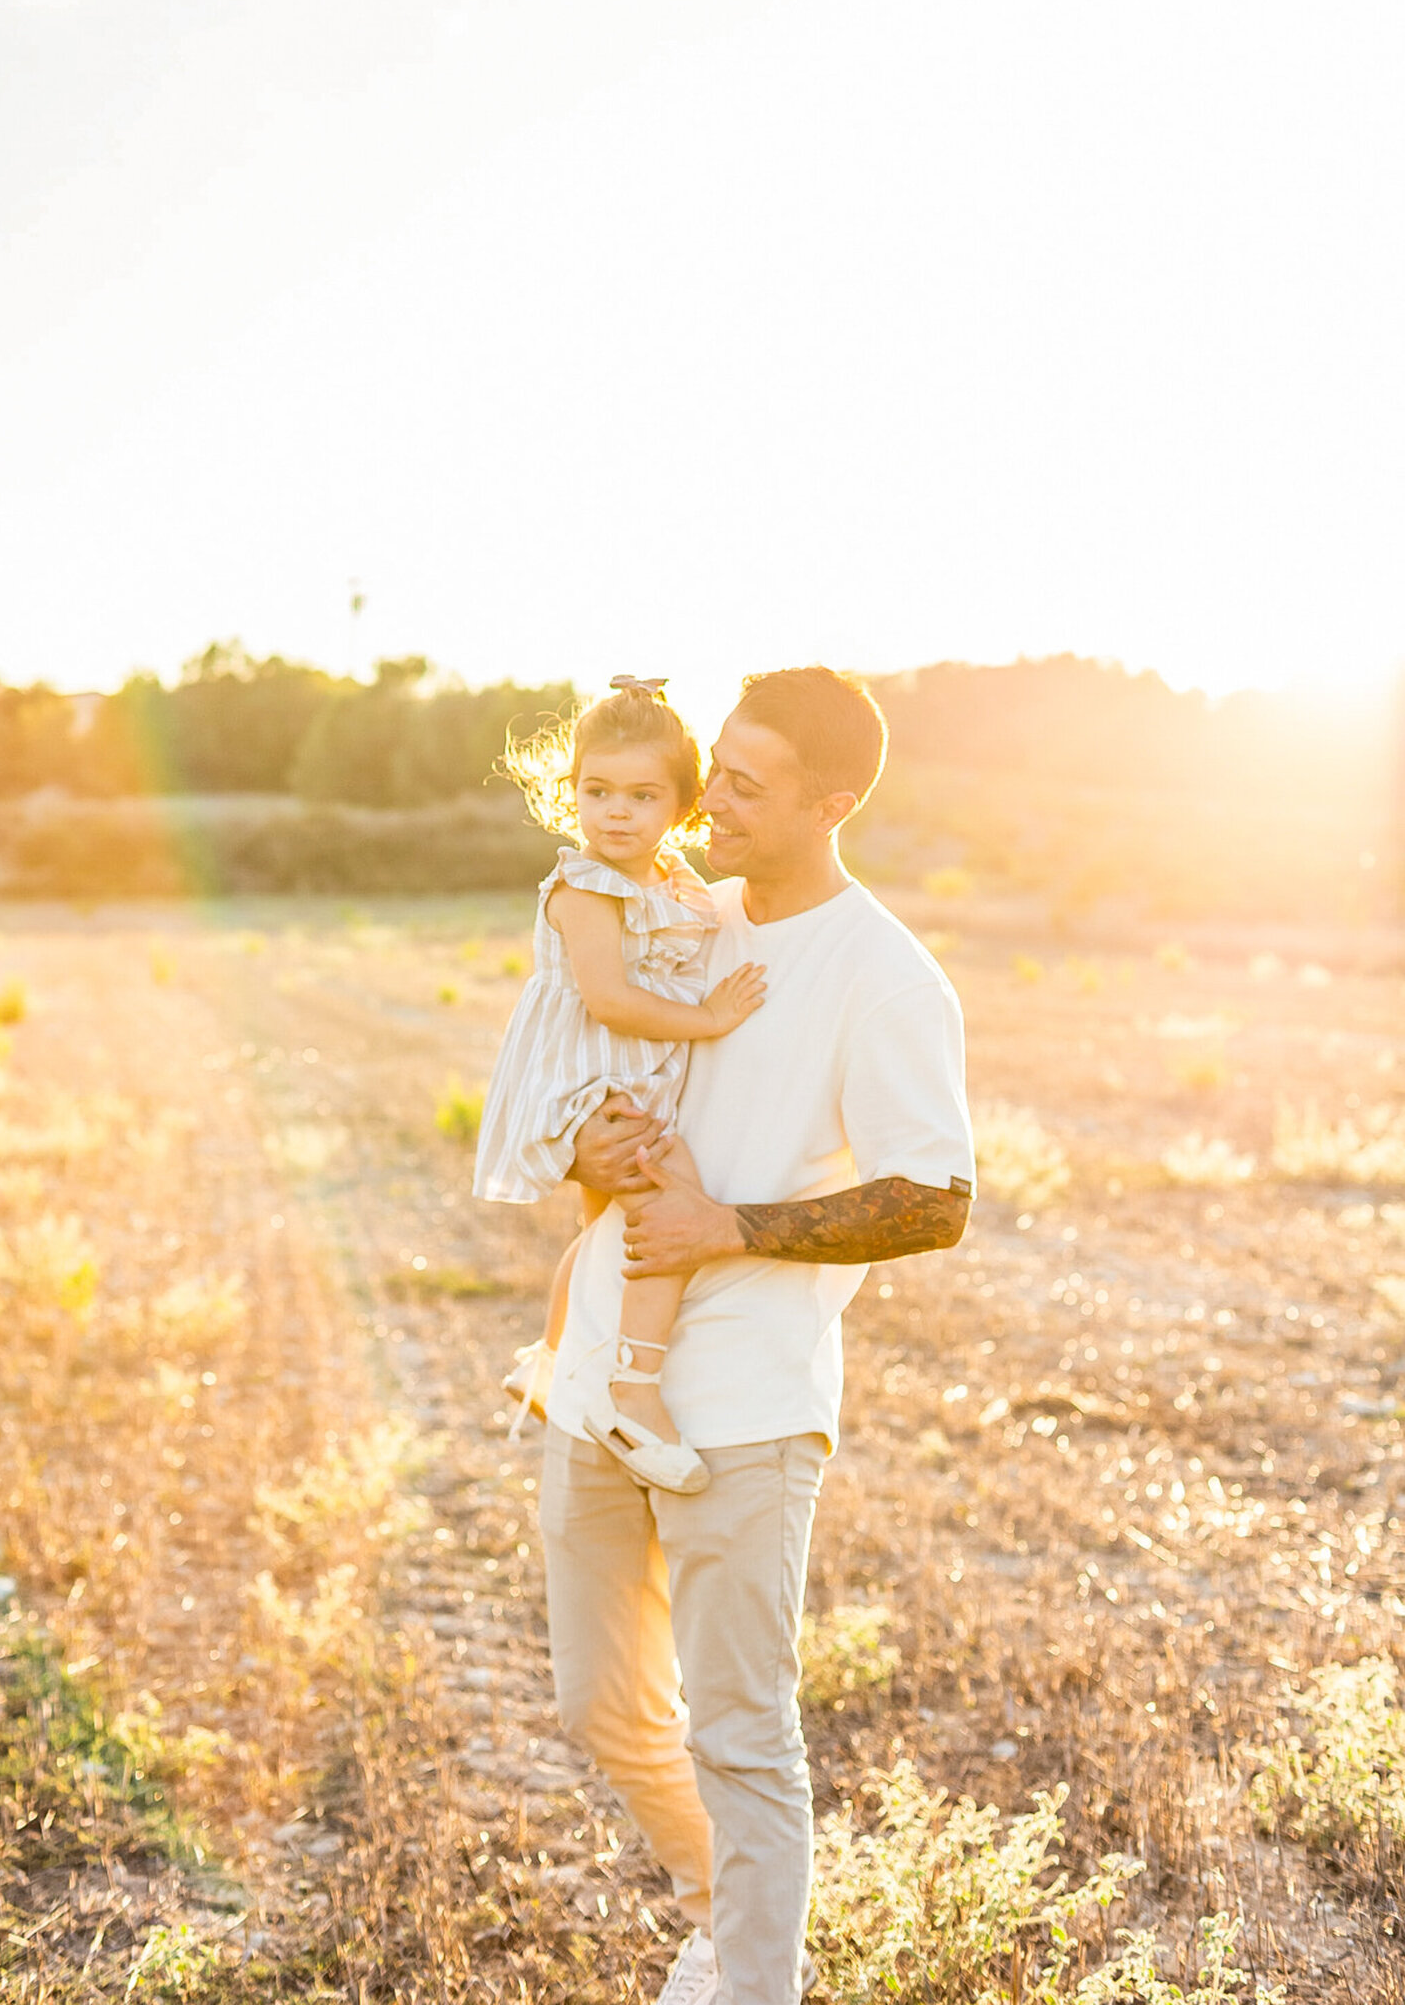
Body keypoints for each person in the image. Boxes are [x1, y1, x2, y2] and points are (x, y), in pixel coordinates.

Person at [537, 666, 976, 2005]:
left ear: (832, 803)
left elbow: (936, 1200)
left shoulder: (884, 977)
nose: (704, 800)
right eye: (712, 767)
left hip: (743, 1416)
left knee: (740, 1738)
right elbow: (602, 1119)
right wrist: (588, 1152)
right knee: (600, 1710)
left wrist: (732, 1228)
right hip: (599, 1387)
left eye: (744, 784)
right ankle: (724, 1922)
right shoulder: (677, 919)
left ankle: (753, 1983)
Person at [474, 676, 767, 1494]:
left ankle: (552, 1357)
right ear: (569, 793)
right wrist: (709, 1018)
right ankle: (634, 1393)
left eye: (642, 795)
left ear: (682, 807)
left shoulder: (670, 884)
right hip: (591, 1076)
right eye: (596, 791)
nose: (616, 812)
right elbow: (607, 1000)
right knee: (670, 1209)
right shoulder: (586, 887)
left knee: (602, 1220)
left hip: (629, 1071)